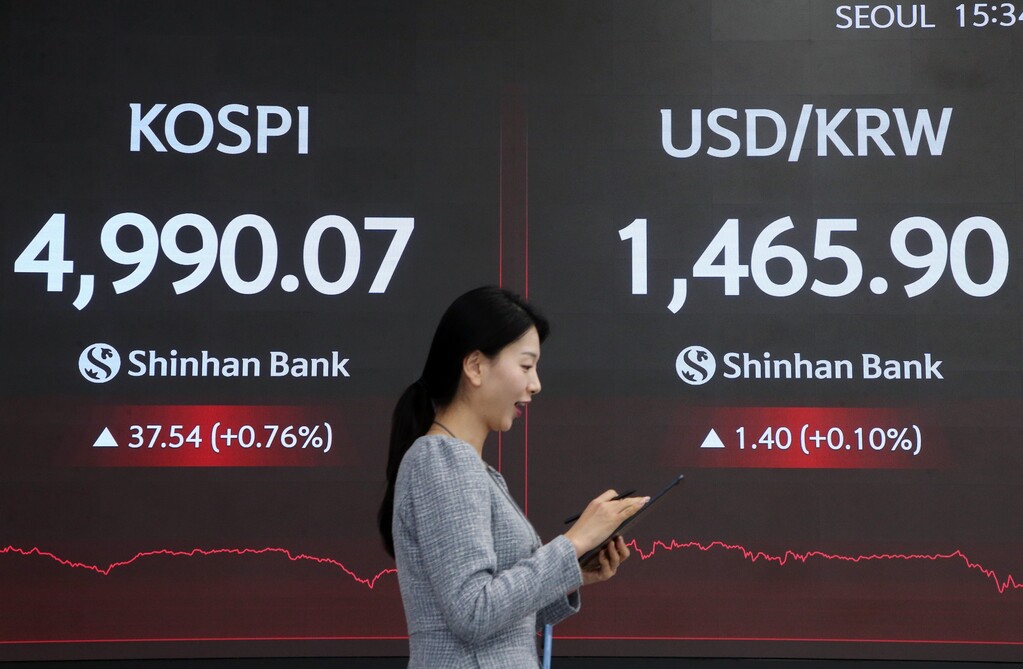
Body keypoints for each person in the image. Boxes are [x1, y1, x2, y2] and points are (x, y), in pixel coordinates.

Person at [378, 286, 649, 668]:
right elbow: (473, 613)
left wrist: (573, 572)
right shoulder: (442, 460)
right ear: (475, 366)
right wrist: (573, 543)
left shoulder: (470, 468)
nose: (535, 384)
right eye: (525, 366)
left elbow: (500, 622)